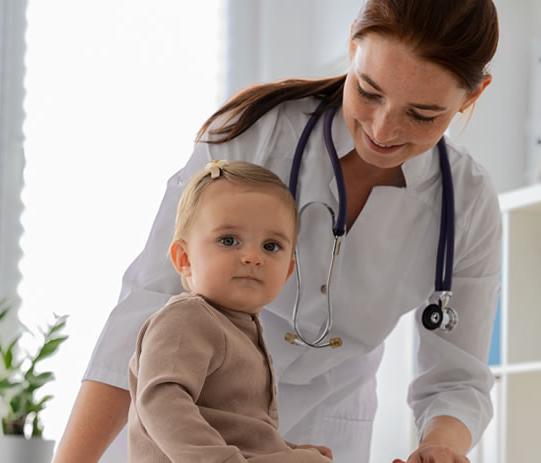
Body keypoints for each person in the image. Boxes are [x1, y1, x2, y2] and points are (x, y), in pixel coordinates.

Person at [53, 0, 501, 462]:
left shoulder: (466, 203)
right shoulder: (258, 135)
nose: (383, 129)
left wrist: (440, 448)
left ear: (473, 94)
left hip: (332, 421)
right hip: (195, 410)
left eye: (422, 115)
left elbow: (458, 376)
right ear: (352, 47)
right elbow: (147, 306)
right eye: (368, 91)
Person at [127, 160, 333, 462]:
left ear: (288, 271)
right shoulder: (186, 319)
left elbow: (238, 427)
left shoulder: (240, 328)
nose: (252, 257)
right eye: (228, 240)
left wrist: (284, 449)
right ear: (184, 258)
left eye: (271, 246)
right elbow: (161, 400)